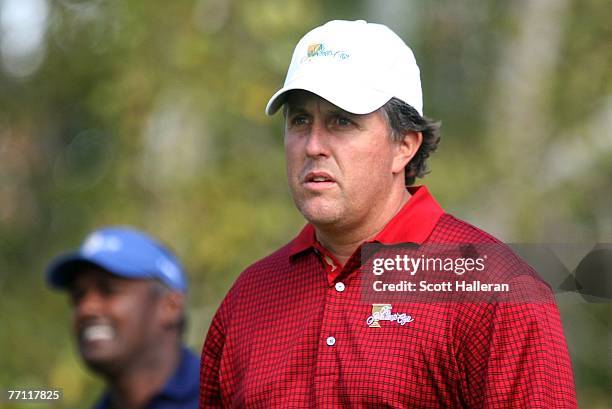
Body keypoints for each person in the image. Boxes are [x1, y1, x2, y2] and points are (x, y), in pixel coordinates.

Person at [200, 20, 577, 407]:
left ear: (405, 146)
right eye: (300, 121)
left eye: (342, 121)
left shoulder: (496, 291)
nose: (313, 145)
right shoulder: (251, 295)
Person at [46, 226, 199, 409]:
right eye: (78, 296)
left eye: (108, 290)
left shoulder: (226, 397)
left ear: (170, 306)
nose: (86, 309)